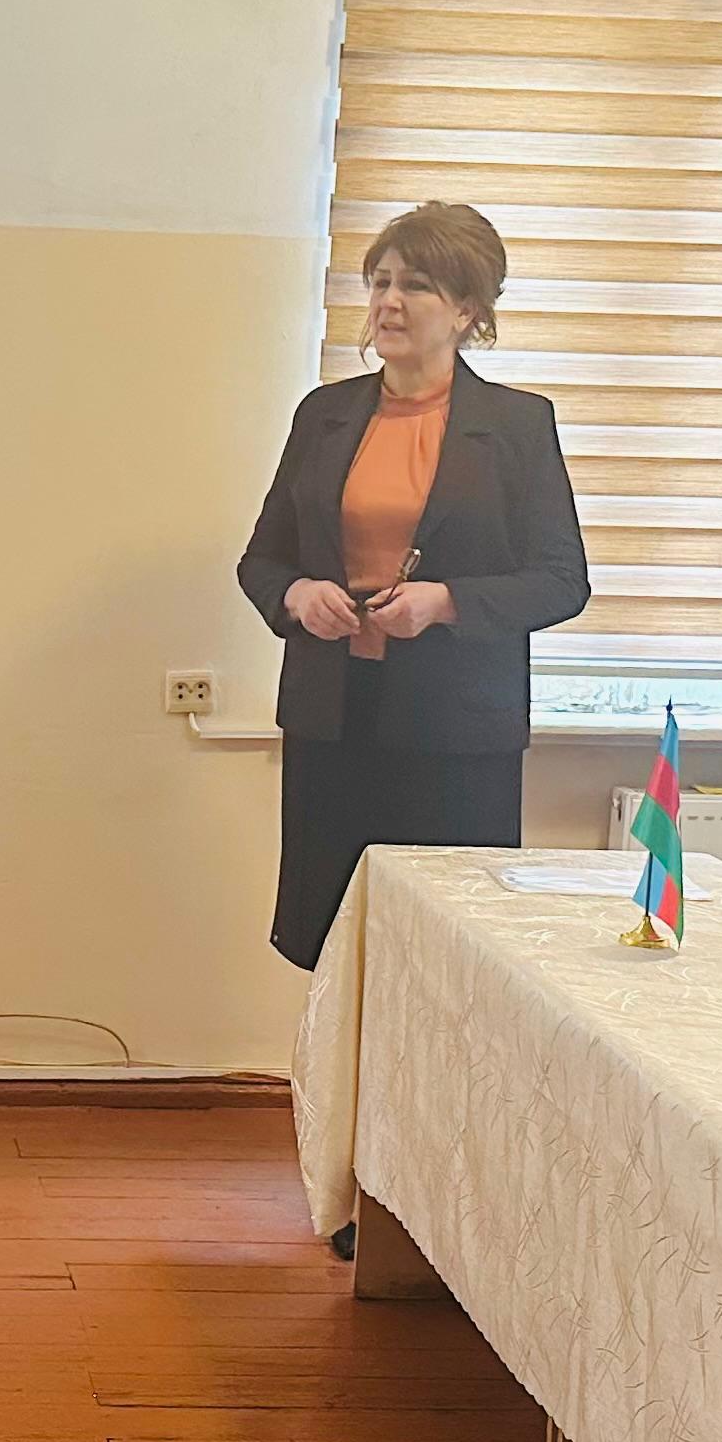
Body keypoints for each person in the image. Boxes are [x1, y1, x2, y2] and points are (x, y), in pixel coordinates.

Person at [236, 204, 590, 971]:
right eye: (381, 282)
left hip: (456, 731)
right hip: (333, 721)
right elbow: (262, 562)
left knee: (447, 952)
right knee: (334, 942)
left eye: (416, 286)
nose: (389, 303)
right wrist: (298, 596)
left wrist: (446, 602)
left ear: (466, 309)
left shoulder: (518, 425)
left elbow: (562, 581)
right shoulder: (324, 415)